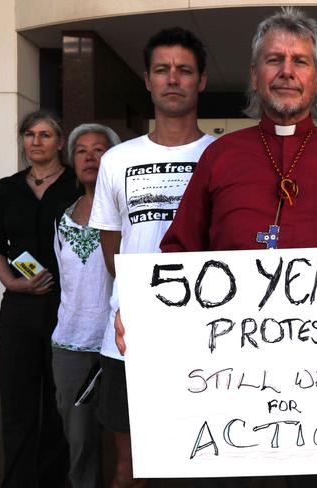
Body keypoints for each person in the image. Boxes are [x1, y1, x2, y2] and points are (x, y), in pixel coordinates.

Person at [116, 8, 317, 488]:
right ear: (255, 74)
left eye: (300, 61)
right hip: (230, 397)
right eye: (274, 59)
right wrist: (143, 315)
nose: (287, 71)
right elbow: (179, 252)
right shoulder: (220, 156)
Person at [89, 27, 215, 488]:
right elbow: (112, 250)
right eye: (162, 70)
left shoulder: (222, 155)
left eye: (184, 70)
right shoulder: (117, 160)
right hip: (129, 339)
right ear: (147, 79)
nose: (173, 79)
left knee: (205, 463)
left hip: (206, 337)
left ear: (201, 81)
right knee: (131, 469)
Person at [0, 110, 79, 487]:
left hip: (65, 307)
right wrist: (13, 283)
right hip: (19, 308)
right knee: (17, 402)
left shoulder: (77, 185)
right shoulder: (6, 188)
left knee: (59, 403)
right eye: (29, 134)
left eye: (45, 134)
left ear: (60, 141)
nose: (36, 141)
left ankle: (56, 480)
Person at [52, 123, 120, 488]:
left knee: (127, 444)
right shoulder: (62, 218)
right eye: (82, 151)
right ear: (72, 161)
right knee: (79, 446)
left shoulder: (124, 214)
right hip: (70, 345)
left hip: (119, 343)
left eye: (99, 149)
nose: (91, 157)